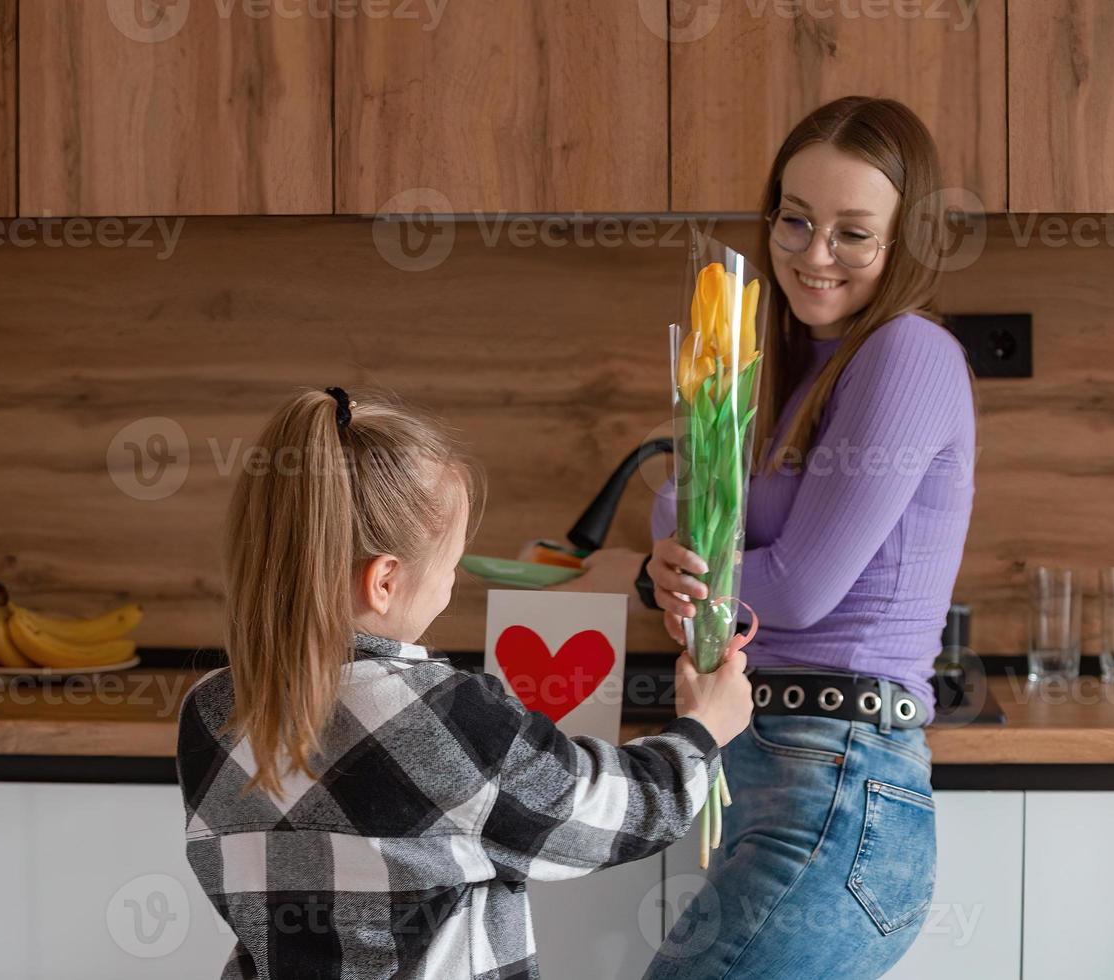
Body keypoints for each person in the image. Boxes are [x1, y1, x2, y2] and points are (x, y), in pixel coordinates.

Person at [566, 96, 976, 977]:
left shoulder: (908, 352)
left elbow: (797, 587)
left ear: (906, 240)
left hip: (839, 785)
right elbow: (680, 510)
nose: (813, 254)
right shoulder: (795, 365)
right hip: (778, 775)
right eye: (795, 220)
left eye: (853, 234)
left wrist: (693, 566)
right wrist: (674, 563)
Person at [176, 386, 754, 980]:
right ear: (384, 580)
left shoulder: (209, 710)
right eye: (451, 565)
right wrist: (702, 729)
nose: (453, 582)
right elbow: (616, 814)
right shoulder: (442, 711)